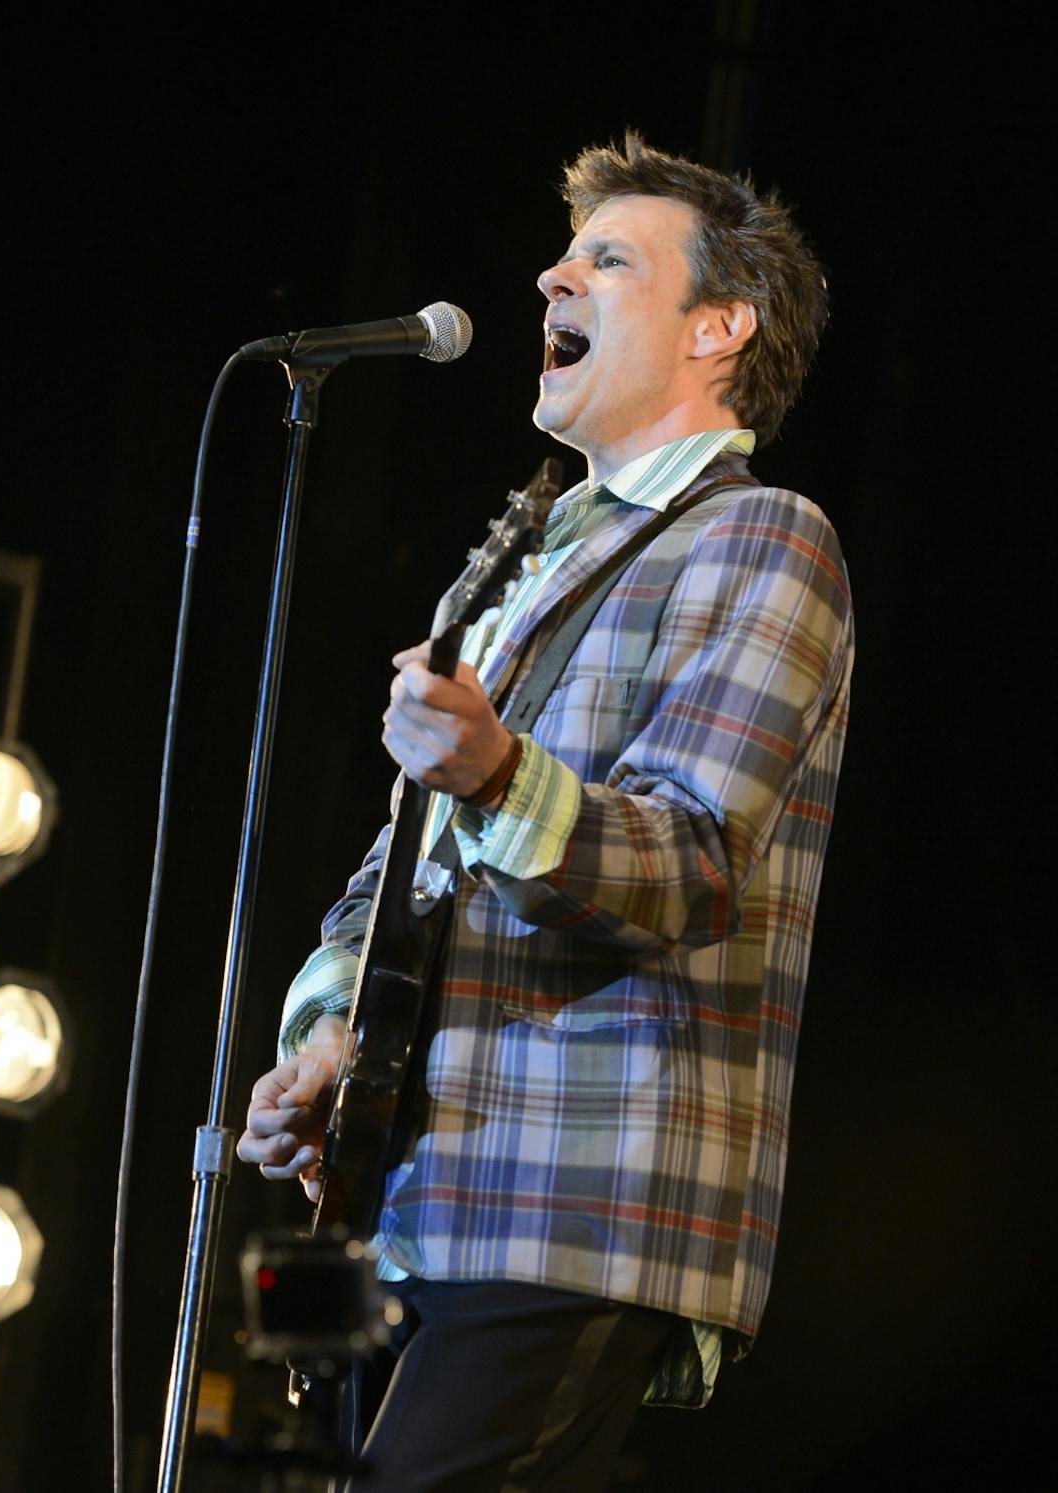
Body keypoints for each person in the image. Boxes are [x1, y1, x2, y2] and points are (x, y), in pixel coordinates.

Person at [238, 130, 851, 1490]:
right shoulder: (526, 555)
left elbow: (689, 864)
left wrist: (498, 772)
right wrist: (325, 1034)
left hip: (576, 1194)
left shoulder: (765, 539)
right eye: (565, 255)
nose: (549, 276)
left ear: (720, 327)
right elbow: (391, 877)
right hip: (409, 1198)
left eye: (605, 260)